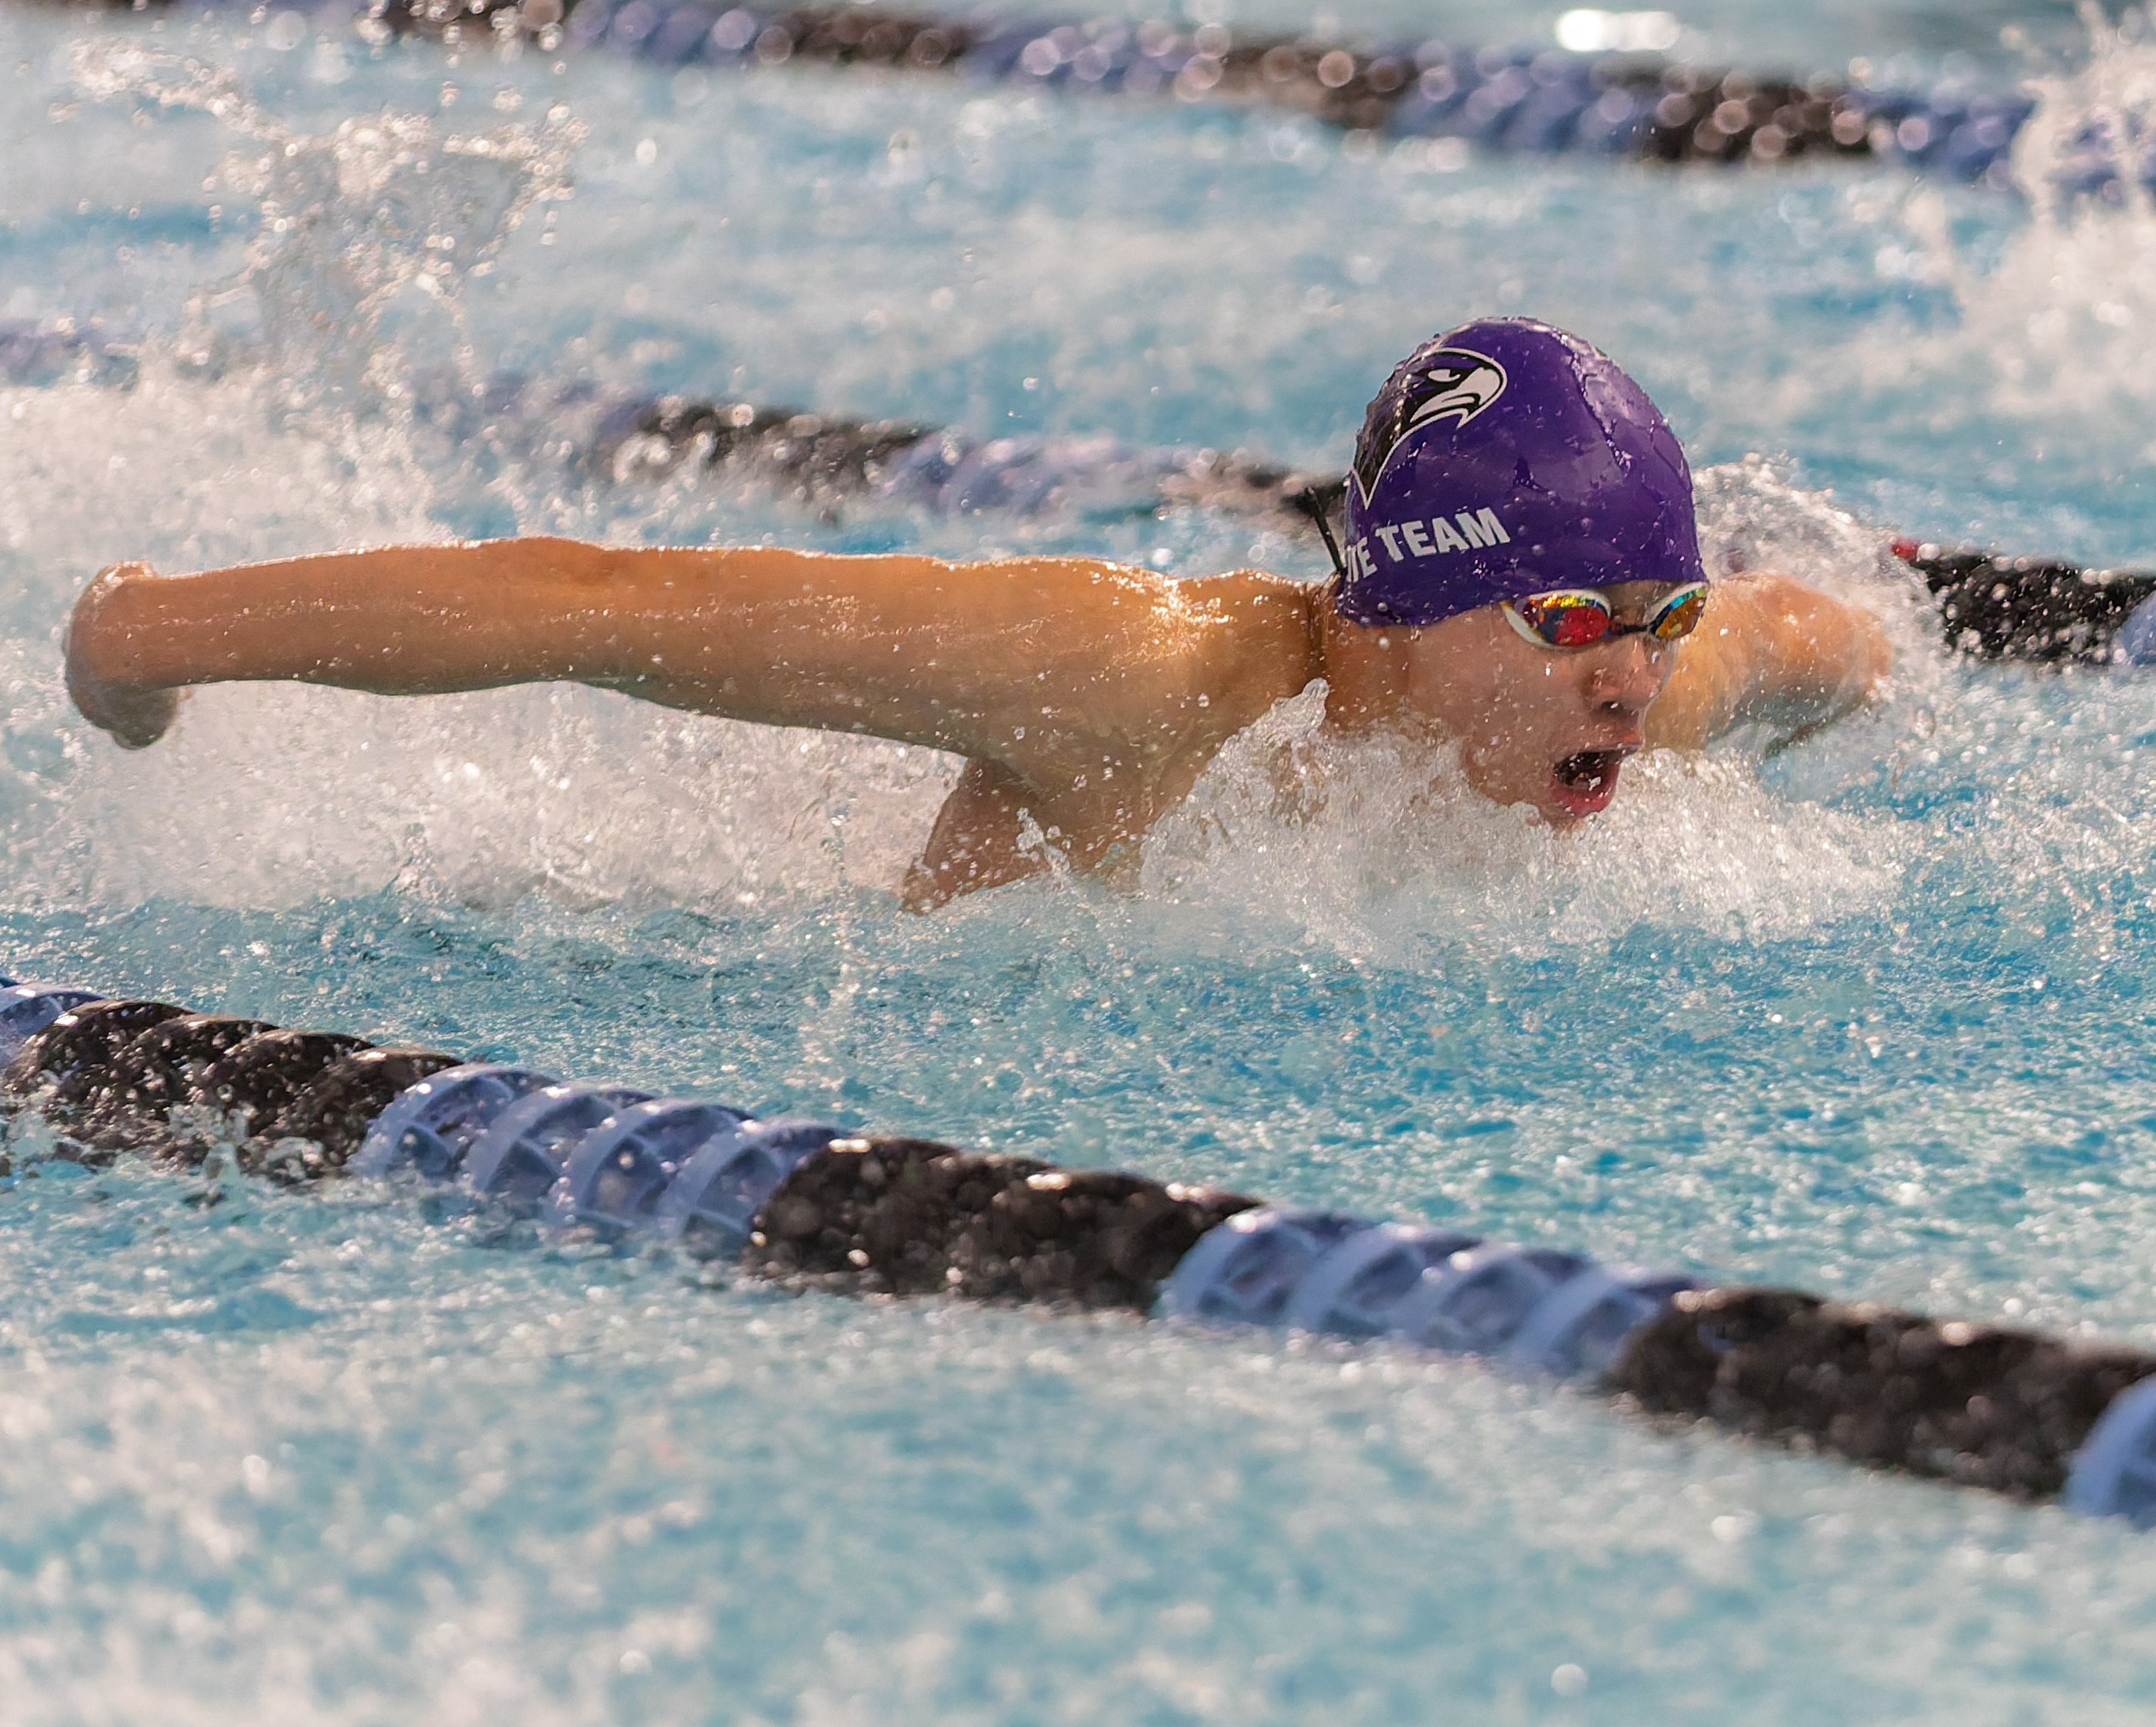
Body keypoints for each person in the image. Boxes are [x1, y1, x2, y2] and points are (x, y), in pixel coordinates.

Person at [63, 317, 1891, 910]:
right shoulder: (1132, 676)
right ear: (1400, 604)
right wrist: (150, 634)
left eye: (1660, 613)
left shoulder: (1640, 686)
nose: (1636, 677)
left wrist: (1901, 661)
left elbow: (1831, 636)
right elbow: (602, 603)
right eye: (1577, 615)